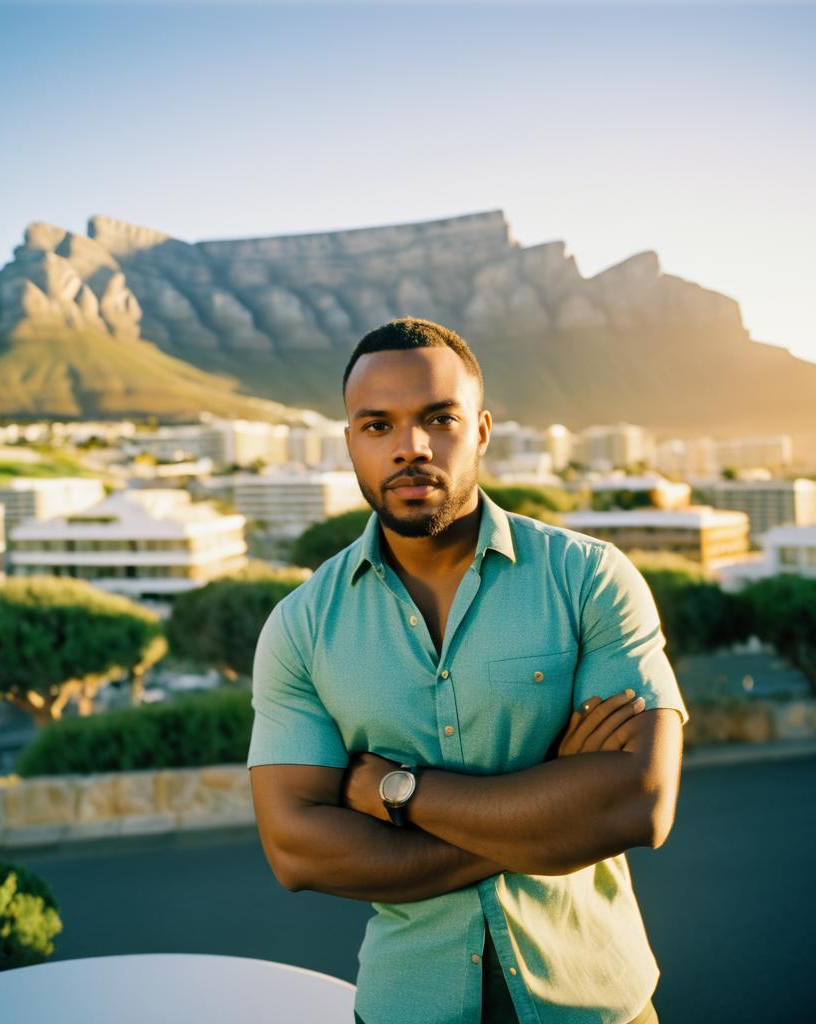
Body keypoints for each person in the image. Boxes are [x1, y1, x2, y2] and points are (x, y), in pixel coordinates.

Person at [248, 317, 689, 1024]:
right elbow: (298, 850)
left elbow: (638, 801)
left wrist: (395, 792)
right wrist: (545, 818)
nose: (410, 447)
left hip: (597, 1004)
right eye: (377, 426)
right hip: (407, 1005)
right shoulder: (301, 626)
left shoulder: (589, 579)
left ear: (481, 430)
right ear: (350, 443)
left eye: (438, 419)